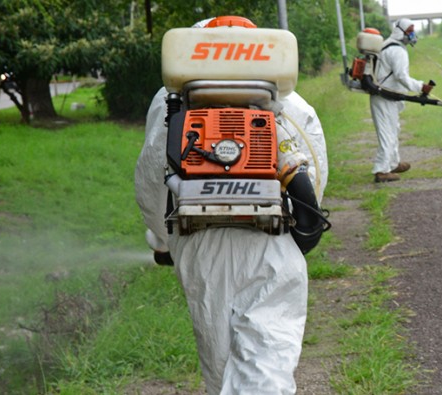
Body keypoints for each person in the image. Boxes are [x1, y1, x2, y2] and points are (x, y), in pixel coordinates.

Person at [134, 16, 327, 394]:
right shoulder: (289, 101)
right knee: (268, 355)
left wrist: (163, 239)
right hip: (273, 240)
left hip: (200, 245)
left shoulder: (169, 101)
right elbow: (315, 173)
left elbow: (151, 181)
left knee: (221, 366)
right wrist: (303, 229)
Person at [370, 18, 433, 183]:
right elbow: (400, 76)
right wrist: (421, 87)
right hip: (384, 97)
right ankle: (381, 170)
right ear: (401, 30)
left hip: (388, 96)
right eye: (410, 30)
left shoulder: (388, 44)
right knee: (387, 134)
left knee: (393, 130)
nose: (412, 33)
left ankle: (393, 163)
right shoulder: (397, 51)